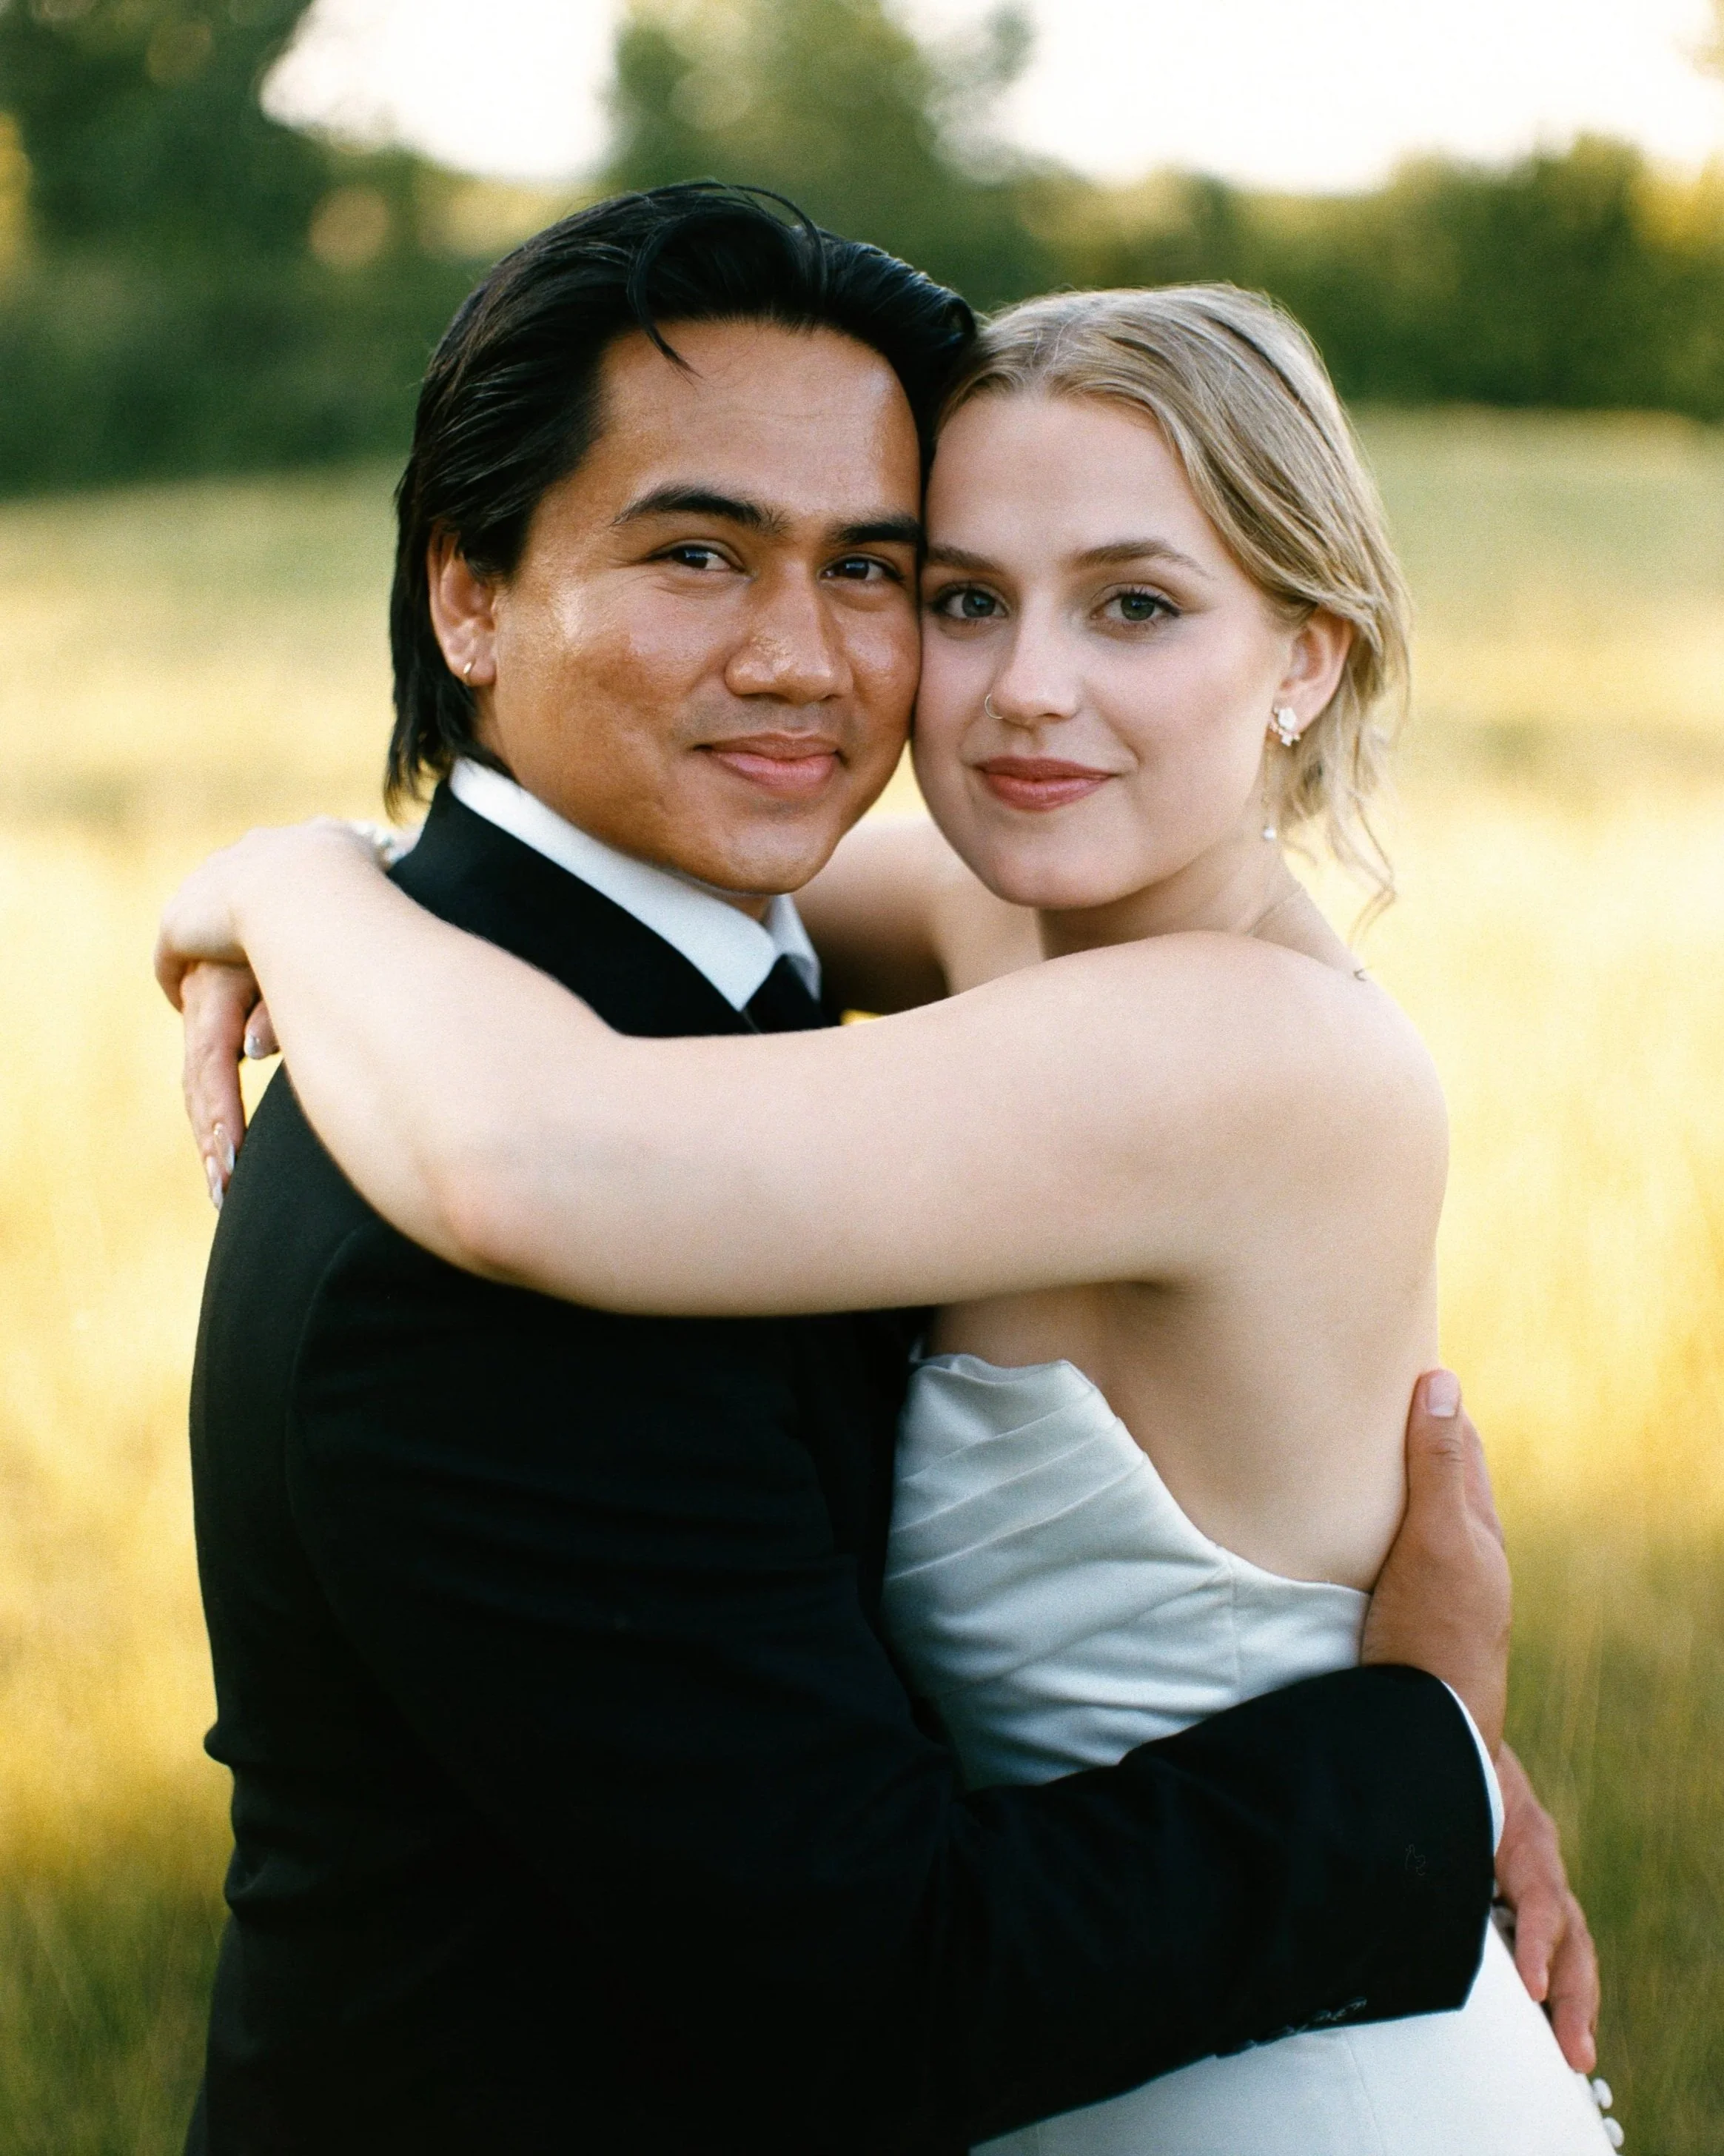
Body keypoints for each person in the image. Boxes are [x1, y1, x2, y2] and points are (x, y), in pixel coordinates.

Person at [160, 186, 1599, 2155]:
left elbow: (542, 1122)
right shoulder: (963, 934)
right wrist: (1415, 1764)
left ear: (1307, 659)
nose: (997, 690)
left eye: (871, 573)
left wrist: (292, 878)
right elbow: (599, 998)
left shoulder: (1207, 1036)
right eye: (968, 597)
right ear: (462, 591)